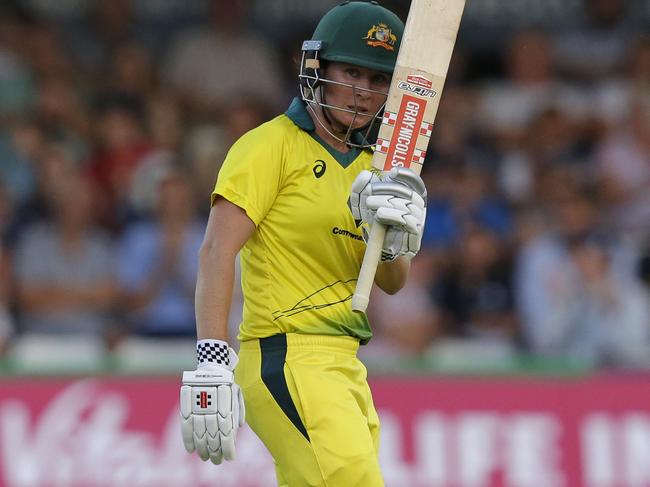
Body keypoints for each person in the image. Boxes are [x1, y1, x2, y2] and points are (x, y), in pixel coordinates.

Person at [179, 2, 427, 486]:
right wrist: (212, 357)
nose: (363, 92)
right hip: (286, 355)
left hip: (346, 364)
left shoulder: (376, 168)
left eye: (378, 80)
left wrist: (396, 238)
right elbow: (215, 251)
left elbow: (393, 283)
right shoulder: (269, 144)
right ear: (318, 69)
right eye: (351, 72)